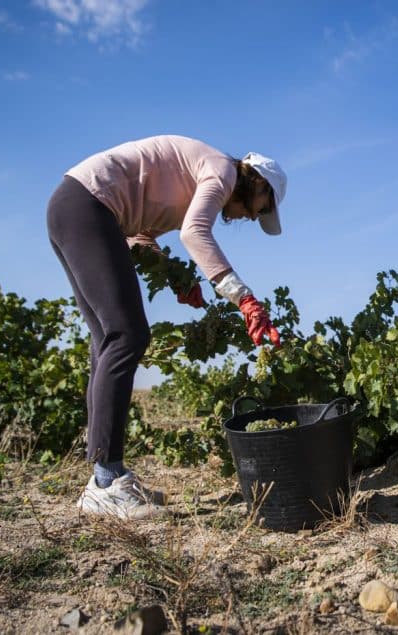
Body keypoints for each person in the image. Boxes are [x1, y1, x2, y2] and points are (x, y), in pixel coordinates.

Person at [46, 134, 287, 519]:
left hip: (76, 206)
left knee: (107, 340)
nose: (252, 218)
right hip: (88, 206)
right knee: (127, 335)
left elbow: (139, 235)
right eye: (261, 209)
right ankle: (107, 482)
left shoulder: (197, 179)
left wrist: (177, 278)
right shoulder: (222, 172)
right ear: (258, 183)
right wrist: (244, 299)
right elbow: (194, 233)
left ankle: (106, 476)